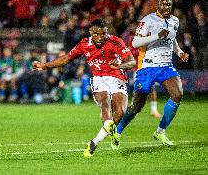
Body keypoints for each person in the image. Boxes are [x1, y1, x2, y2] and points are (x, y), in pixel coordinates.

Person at [33, 19, 136, 157]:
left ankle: (94, 141)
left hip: (117, 76)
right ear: (90, 32)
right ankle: (107, 127)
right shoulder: (84, 44)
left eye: (103, 34)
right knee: (104, 104)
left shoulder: (115, 41)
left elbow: (132, 61)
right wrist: (44, 65)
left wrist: (120, 65)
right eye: (96, 34)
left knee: (120, 111)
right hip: (99, 78)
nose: (100, 37)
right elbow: (66, 59)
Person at [116, 0, 189, 147]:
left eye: (169, 4)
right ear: (157, 5)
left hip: (166, 66)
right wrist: (156, 35)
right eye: (163, 3)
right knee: (137, 106)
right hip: (147, 66)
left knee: (177, 94)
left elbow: (172, 39)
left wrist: (180, 52)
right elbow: (135, 42)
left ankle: (160, 131)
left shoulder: (175, 20)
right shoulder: (148, 20)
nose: (166, 7)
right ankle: (118, 131)